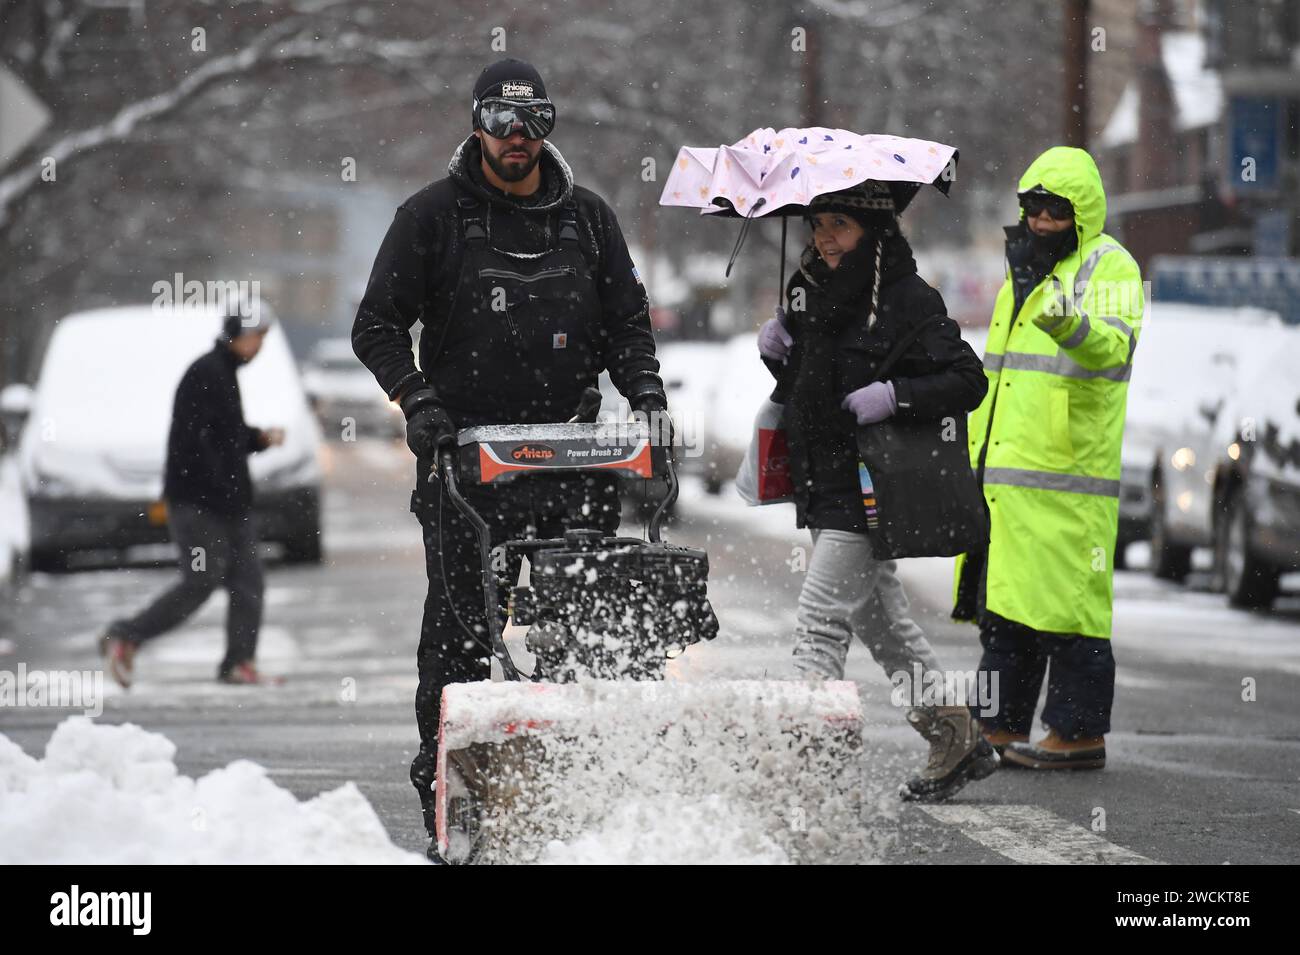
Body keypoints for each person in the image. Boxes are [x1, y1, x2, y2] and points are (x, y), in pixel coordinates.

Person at [351, 58, 666, 857]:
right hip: (466, 467)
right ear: (476, 123)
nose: (518, 138)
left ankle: (587, 794)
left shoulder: (589, 220)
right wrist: (418, 400)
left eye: (534, 123)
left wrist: (650, 402)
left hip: (574, 459)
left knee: (591, 632)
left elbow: (628, 324)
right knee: (459, 637)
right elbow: (377, 326)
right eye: (501, 121)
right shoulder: (431, 218)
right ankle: (450, 795)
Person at [758, 181, 998, 801]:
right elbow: (812, 383)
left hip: (867, 488)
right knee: (879, 620)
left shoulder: (906, 297)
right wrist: (777, 347)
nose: (824, 236)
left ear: (874, 230)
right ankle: (955, 732)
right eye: (817, 223)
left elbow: (967, 380)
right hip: (819, 479)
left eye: (839, 223)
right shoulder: (807, 291)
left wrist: (896, 397)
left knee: (819, 620)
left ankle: (808, 767)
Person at [954, 146, 1144, 770]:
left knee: (1070, 614)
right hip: (1011, 476)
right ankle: (998, 727)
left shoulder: (1111, 267)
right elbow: (1004, 371)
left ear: (1081, 213)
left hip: (1069, 482)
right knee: (1007, 608)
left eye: (1054, 211)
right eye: (1032, 209)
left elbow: (1109, 350)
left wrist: (1057, 308)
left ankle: (1078, 732)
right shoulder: (1024, 270)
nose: (1039, 222)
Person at [100, 308, 285, 688]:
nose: (260, 347)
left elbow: (226, 435)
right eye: (257, 338)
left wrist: (258, 439)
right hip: (200, 505)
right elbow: (201, 443)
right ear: (238, 335)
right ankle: (125, 636)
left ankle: (239, 663)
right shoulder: (208, 372)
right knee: (202, 578)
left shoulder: (222, 371)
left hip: (228, 504)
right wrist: (221, 486)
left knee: (249, 582)